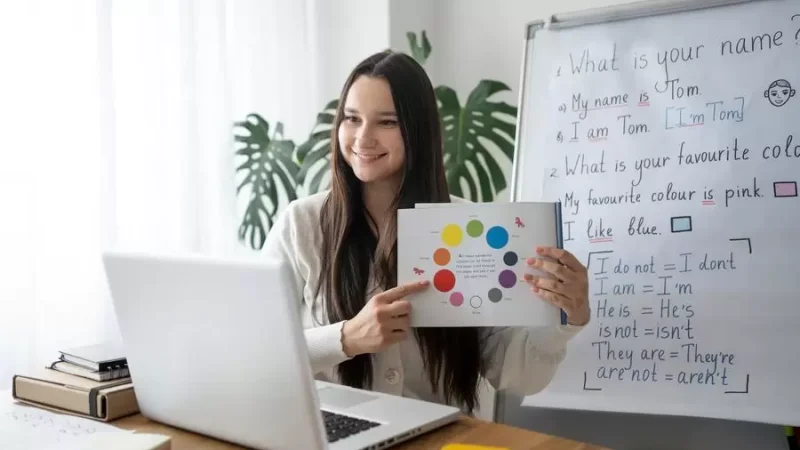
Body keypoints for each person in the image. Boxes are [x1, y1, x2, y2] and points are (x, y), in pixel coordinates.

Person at [263, 50, 589, 414]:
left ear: (417, 132)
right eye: (352, 118)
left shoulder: (466, 228)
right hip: (336, 435)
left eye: (386, 122)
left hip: (438, 437)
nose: (363, 138)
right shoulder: (301, 225)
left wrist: (566, 318)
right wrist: (346, 339)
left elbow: (516, 375)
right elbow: (258, 353)